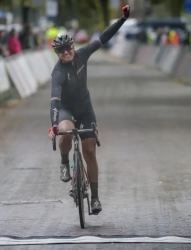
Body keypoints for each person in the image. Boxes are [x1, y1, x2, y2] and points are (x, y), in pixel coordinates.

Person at [47, 5, 131, 215]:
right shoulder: (57, 73)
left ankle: (94, 197)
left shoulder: (83, 55)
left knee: (89, 152)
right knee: (65, 133)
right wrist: (54, 125)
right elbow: (55, 102)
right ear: (57, 53)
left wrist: (122, 19)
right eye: (61, 50)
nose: (66, 52)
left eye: (69, 48)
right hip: (66, 108)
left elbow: (104, 37)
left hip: (85, 108)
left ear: (74, 46)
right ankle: (65, 162)